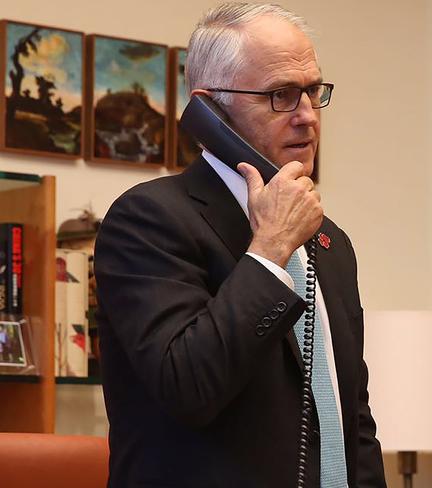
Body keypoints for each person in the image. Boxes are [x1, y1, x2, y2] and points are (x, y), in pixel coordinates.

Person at [94, 3, 386, 487]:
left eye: (313, 91)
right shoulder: (148, 221)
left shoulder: (331, 242)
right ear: (210, 108)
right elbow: (189, 386)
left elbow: (352, 420)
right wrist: (269, 250)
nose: (308, 117)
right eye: (281, 96)